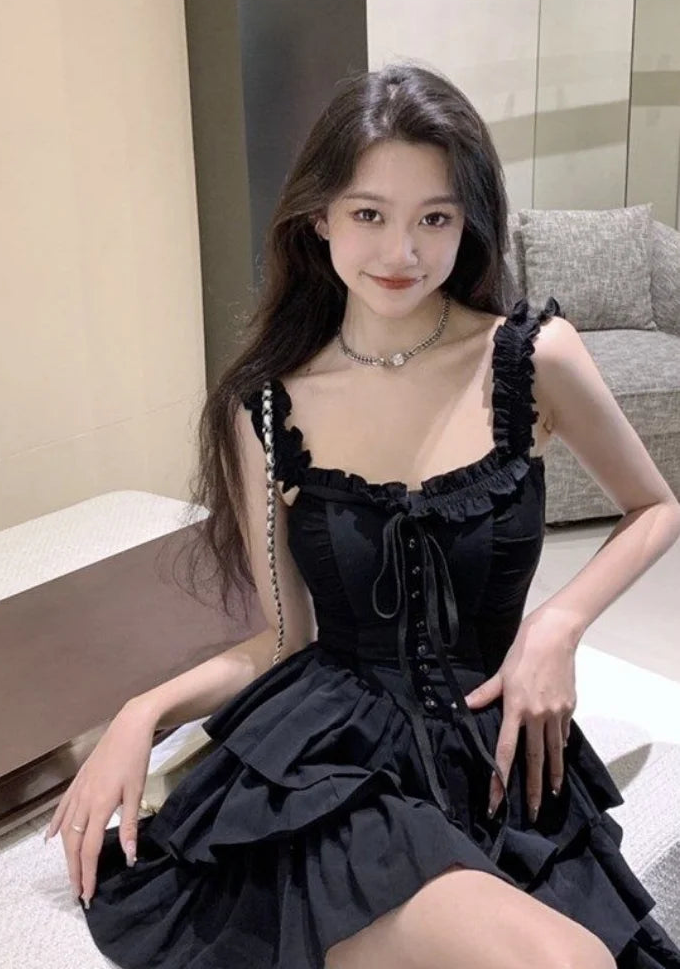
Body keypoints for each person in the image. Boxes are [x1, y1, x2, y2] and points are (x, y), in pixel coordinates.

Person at [44, 63, 680, 968]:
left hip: (497, 756)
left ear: (469, 221)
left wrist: (558, 625)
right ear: (320, 218)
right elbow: (284, 641)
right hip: (337, 769)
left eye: (435, 218)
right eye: (370, 214)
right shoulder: (269, 407)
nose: (401, 252)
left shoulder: (532, 356)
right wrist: (142, 712)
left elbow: (655, 507)